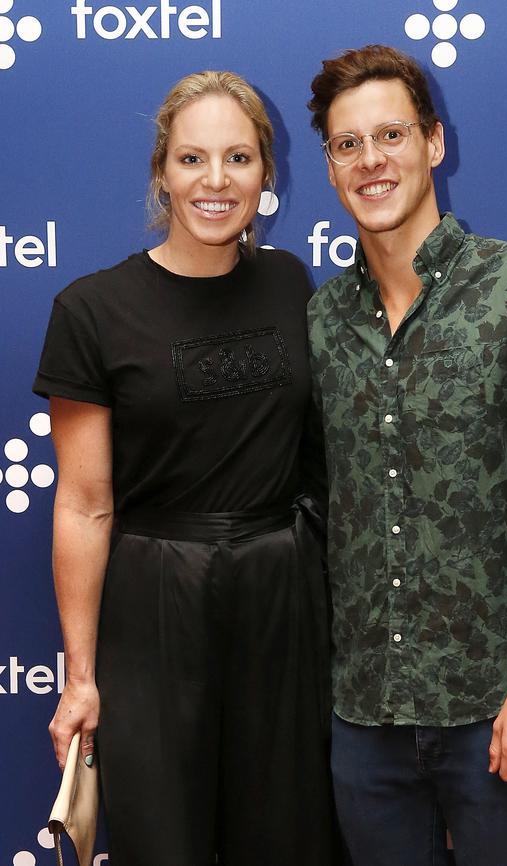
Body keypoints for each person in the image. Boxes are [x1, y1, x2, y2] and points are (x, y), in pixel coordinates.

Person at [307, 44, 507, 866]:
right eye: (347, 144)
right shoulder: (322, 321)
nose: (372, 160)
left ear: (434, 143)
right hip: (364, 720)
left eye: (391, 134)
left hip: (496, 711)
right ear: (330, 167)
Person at [34, 70, 335, 866]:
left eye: (238, 158)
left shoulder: (287, 282)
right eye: (192, 159)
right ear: (161, 173)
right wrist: (81, 676)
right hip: (155, 605)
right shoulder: (90, 311)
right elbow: (85, 506)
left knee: (291, 839)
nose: (215, 181)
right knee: (166, 841)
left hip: (281, 598)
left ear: (267, 173)